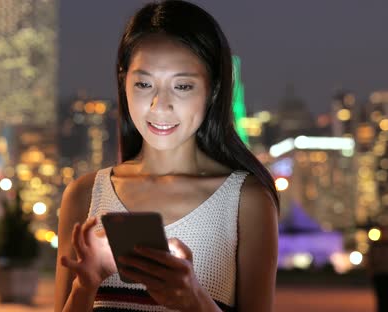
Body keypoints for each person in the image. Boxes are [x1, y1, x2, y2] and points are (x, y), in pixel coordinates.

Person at [54, 1, 279, 311]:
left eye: (183, 86)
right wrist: (86, 285)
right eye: (144, 84)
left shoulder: (246, 201)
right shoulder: (85, 196)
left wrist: (194, 300)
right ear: (124, 82)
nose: (160, 105)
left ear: (212, 90)